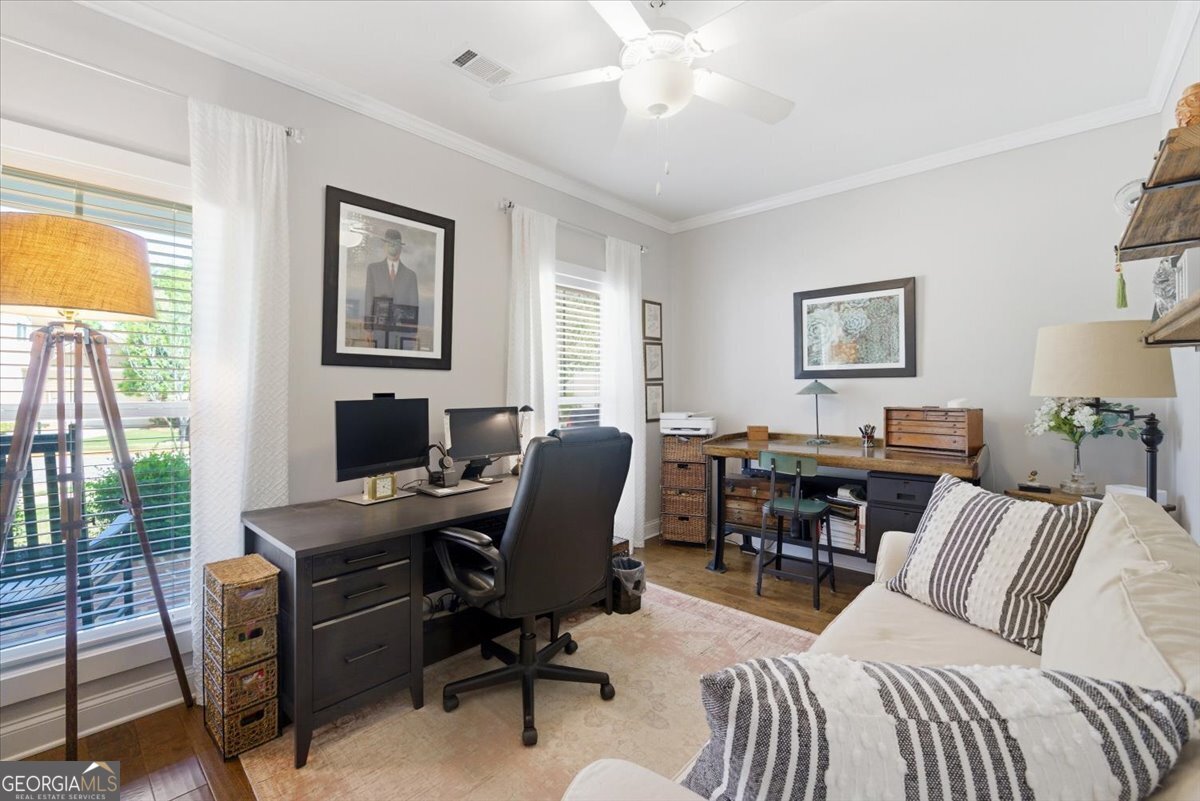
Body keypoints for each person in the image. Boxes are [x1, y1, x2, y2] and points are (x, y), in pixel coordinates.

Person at [363, 229, 420, 349]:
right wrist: (368, 329)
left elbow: (414, 304)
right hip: (379, 332)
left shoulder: (411, 275)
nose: (392, 246)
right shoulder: (373, 269)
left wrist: (413, 333)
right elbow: (369, 299)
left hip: (403, 334)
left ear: (401, 247)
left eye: (396, 243)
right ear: (384, 245)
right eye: (389, 243)